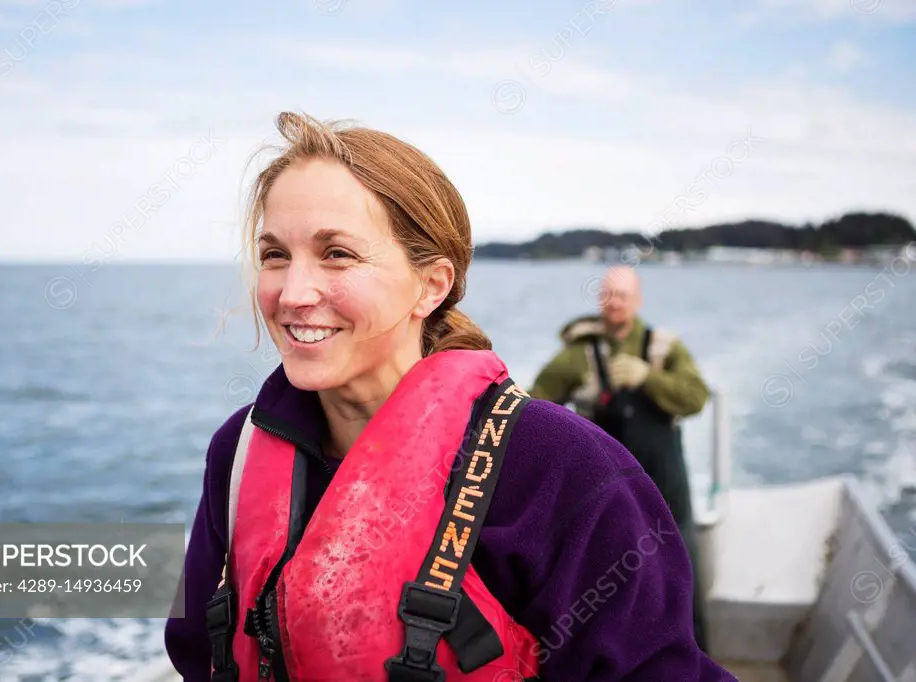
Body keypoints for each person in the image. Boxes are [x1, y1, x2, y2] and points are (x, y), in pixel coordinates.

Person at [164, 111, 735, 681]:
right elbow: (197, 651)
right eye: (274, 255)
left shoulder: (563, 468)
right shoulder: (238, 453)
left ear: (431, 285)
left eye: (337, 253)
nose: (292, 292)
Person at [529, 264, 712, 653]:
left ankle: (695, 661)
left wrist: (648, 378)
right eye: (609, 294)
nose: (615, 303)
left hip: (667, 488)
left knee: (682, 578)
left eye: (623, 296)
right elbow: (536, 405)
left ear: (638, 300)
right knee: (605, 584)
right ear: (600, 299)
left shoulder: (664, 348)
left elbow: (697, 397)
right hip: (604, 492)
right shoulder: (578, 354)